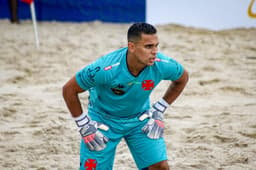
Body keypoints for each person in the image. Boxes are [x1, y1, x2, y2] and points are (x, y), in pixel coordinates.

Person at [63, 22, 189, 170]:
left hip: (140, 120)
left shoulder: (161, 63)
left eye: (156, 45)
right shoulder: (105, 68)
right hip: (102, 122)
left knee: (160, 167)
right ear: (132, 47)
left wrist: (160, 108)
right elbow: (69, 90)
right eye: (149, 46)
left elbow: (182, 78)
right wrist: (83, 124)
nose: (155, 51)